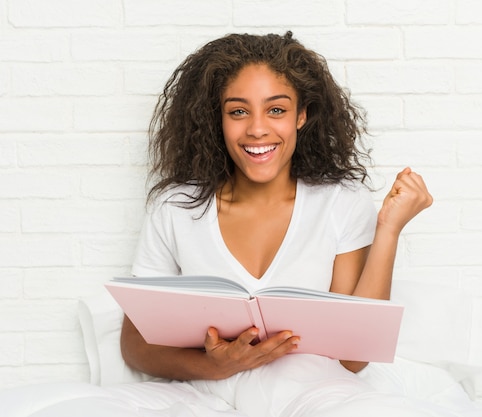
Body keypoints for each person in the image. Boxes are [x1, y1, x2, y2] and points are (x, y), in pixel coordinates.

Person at [121, 31, 433, 416]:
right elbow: (134, 345)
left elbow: (353, 359)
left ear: (301, 115)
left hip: (310, 395)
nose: (256, 129)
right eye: (238, 111)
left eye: (276, 110)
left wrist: (388, 229)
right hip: (200, 397)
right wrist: (214, 366)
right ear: (216, 118)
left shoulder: (340, 201)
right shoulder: (174, 208)